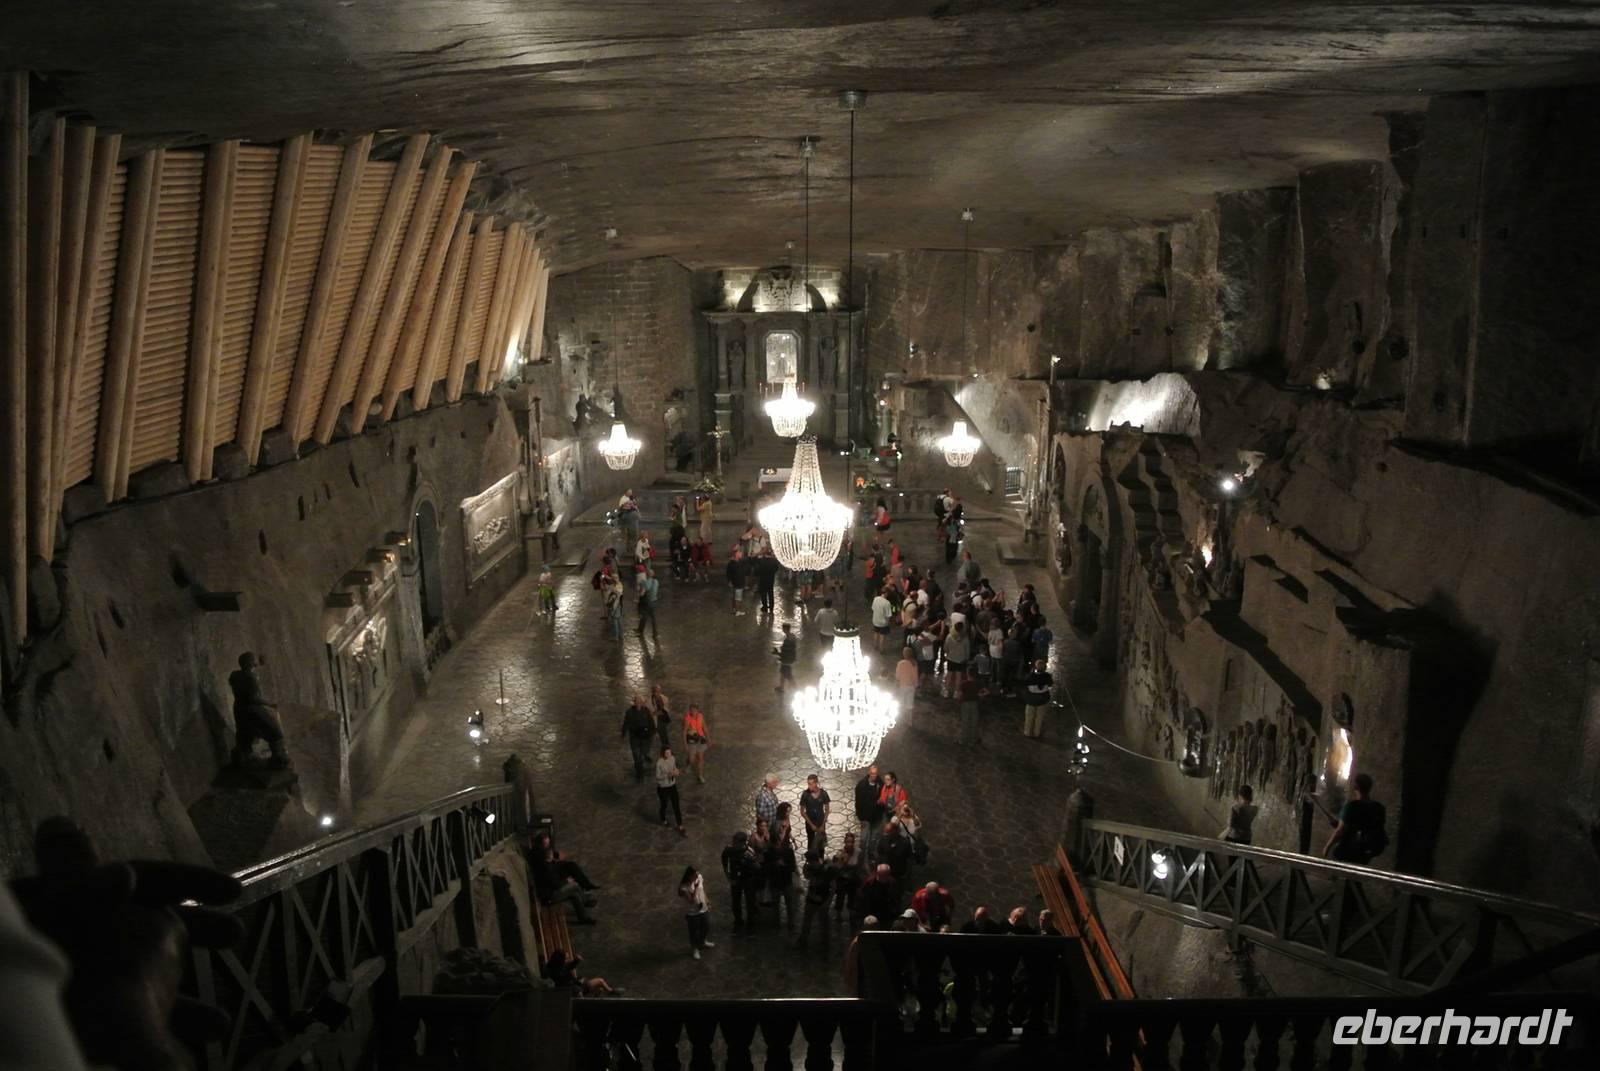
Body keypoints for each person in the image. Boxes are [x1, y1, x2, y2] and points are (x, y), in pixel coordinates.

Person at [228, 652, 291, 768]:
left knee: (244, 735)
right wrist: (270, 704)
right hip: (252, 710)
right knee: (275, 732)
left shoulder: (234, 675)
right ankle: (277, 759)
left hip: (239, 708)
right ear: (248, 663)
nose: (255, 664)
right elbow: (254, 698)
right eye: (253, 661)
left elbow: (233, 684)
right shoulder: (251, 678)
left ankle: (241, 758)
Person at [1324, 773, 1388, 864]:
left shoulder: (1352, 806)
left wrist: (1327, 847)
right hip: (1368, 850)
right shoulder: (1379, 807)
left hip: (1349, 849)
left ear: (1355, 787)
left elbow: (1340, 830)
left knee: (1336, 859)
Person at [532, 844, 598, 924]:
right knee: (574, 885)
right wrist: (567, 881)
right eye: (552, 854)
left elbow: (554, 879)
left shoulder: (546, 864)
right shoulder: (546, 869)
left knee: (574, 895)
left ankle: (583, 917)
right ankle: (585, 902)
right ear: (549, 856)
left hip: (550, 892)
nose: (553, 855)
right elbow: (556, 884)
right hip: (550, 896)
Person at [721, 832, 761, 933]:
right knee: (735, 903)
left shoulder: (749, 852)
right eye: (733, 841)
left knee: (750, 903)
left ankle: (750, 925)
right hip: (735, 879)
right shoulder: (729, 850)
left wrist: (750, 861)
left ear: (742, 842)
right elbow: (724, 859)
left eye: (736, 842)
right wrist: (727, 874)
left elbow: (758, 867)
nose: (733, 844)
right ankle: (738, 922)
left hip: (748, 880)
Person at [795, 850, 833, 949]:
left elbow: (833, 886)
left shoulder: (826, 869)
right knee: (807, 920)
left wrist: (828, 901)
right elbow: (808, 877)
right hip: (812, 897)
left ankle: (825, 943)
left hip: (822, 900)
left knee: (823, 923)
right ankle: (803, 940)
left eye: (809, 861)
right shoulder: (812, 867)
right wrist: (805, 871)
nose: (808, 863)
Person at [543, 948, 621, 996]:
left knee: (600, 981)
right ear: (560, 960)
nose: (567, 960)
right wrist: (579, 983)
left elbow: (567, 967)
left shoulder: (559, 966)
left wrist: (576, 961)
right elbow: (566, 974)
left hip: (576, 984)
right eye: (566, 959)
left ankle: (610, 991)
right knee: (584, 992)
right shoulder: (556, 972)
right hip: (573, 990)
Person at [766, 826, 800, 930]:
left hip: (785, 881)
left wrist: (783, 865)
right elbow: (766, 868)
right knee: (777, 904)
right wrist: (775, 864)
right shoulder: (769, 852)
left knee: (789, 904)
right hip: (777, 882)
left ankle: (790, 923)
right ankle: (778, 923)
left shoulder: (788, 851)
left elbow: (792, 867)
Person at [678, 867, 715, 960]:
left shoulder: (699, 877)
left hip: (703, 908)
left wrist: (708, 902)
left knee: (706, 927)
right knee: (694, 932)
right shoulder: (683, 887)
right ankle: (695, 949)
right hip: (692, 913)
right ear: (689, 876)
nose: (697, 877)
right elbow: (691, 901)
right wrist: (696, 886)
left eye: (697, 875)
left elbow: (702, 890)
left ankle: (702, 942)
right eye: (694, 876)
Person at [620, 696, 655, 783]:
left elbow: (651, 721)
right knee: (636, 756)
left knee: (642, 754)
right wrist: (623, 734)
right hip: (634, 738)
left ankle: (641, 767)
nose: (639, 703)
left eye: (640, 702)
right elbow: (626, 723)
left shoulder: (646, 710)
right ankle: (640, 773)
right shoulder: (629, 712)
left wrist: (652, 731)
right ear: (634, 702)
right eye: (637, 701)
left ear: (642, 703)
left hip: (644, 737)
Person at [829, 832, 863, 919]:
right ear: (845, 842)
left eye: (852, 842)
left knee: (852, 897)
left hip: (853, 879)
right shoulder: (839, 853)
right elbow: (835, 866)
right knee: (840, 897)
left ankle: (851, 914)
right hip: (842, 879)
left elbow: (860, 865)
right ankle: (838, 915)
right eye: (848, 842)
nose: (850, 844)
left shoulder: (858, 852)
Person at [854, 766, 885, 857]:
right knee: (863, 838)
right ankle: (861, 855)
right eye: (872, 774)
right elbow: (858, 802)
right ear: (869, 773)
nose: (874, 776)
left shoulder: (880, 783)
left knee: (873, 837)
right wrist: (860, 817)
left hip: (876, 816)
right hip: (865, 817)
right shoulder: (861, 785)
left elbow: (884, 795)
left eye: (875, 774)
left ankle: (870, 853)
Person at [656, 747, 685, 835]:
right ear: (663, 754)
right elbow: (658, 777)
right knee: (664, 804)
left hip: (672, 786)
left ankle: (680, 825)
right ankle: (663, 819)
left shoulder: (673, 758)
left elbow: (674, 768)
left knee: (676, 805)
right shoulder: (659, 763)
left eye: (670, 753)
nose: (669, 755)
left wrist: (677, 772)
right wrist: (668, 775)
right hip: (663, 787)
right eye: (667, 753)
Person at [799, 774, 831, 855]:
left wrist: (823, 824)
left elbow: (827, 810)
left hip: (821, 822)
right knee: (811, 842)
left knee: (821, 844)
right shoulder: (805, 794)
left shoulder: (824, 794)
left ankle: (821, 860)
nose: (809, 786)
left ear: (816, 783)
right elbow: (802, 811)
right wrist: (811, 824)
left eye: (811, 783)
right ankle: (811, 861)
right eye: (808, 783)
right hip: (810, 823)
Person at [1023, 659, 1053, 738]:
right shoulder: (1047, 676)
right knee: (1039, 718)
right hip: (1042, 700)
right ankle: (1037, 733)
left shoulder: (1031, 676)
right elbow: (1050, 684)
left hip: (1031, 700)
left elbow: (1025, 684)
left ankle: (1027, 732)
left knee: (1029, 717)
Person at [682, 703, 710, 784]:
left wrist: (708, 738)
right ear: (689, 710)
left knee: (701, 758)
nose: (693, 712)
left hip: (701, 740)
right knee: (692, 759)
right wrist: (685, 744)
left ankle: (700, 775)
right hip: (692, 741)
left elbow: (705, 727)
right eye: (691, 710)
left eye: (695, 710)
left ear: (697, 710)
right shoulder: (687, 718)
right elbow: (684, 732)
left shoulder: (700, 716)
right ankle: (689, 763)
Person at [958, 669, 986, 744]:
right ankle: (973, 739)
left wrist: (960, 701)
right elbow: (986, 692)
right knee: (974, 721)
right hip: (975, 703)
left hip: (965, 703)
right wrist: (980, 695)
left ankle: (962, 739)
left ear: (968, 674)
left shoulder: (963, 684)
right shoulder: (978, 684)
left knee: (965, 721)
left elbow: (960, 695)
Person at [895, 647, 920, 729]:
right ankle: (909, 722)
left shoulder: (900, 663)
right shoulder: (914, 664)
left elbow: (898, 676)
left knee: (901, 703)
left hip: (902, 686)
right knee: (910, 705)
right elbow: (915, 676)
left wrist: (897, 684)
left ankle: (900, 720)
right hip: (911, 687)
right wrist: (916, 685)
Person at [754, 549, 781, 615]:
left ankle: (765, 607)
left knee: (763, 594)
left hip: (762, 579)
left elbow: (757, 570)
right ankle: (771, 608)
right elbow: (776, 569)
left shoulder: (761, 561)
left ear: (764, 554)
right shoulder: (774, 561)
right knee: (770, 594)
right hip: (771, 579)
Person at [636, 567, 661, 638]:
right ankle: (655, 634)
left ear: (646, 575)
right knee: (653, 618)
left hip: (647, 602)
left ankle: (640, 631)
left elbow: (642, 594)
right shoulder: (656, 581)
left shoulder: (645, 583)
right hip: (654, 601)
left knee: (644, 616)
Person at [775, 622, 797, 691]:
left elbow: (785, 652)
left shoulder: (787, 640)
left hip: (786, 660)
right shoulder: (793, 636)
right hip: (790, 658)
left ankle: (794, 687)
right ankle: (781, 687)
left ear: (785, 629)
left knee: (788, 674)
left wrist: (777, 653)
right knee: (783, 673)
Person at [870, 587, 894, 653]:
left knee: (876, 632)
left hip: (875, 620)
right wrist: (889, 622)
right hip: (883, 623)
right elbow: (888, 615)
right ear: (886, 593)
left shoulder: (875, 599)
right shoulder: (887, 603)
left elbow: (873, 608)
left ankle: (875, 646)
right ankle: (881, 649)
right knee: (882, 635)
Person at [726, 549, 749, 616]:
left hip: (735, 582)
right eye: (740, 553)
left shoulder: (732, 563)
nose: (741, 554)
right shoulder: (735, 563)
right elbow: (729, 573)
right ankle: (737, 611)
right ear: (736, 555)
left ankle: (734, 609)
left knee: (734, 597)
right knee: (738, 598)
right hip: (738, 583)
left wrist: (729, 581)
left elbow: (728, 573)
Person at [604, 573, 625, 640]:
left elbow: (617, 595)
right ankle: (620, 635)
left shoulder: (617, 586)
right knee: (618, 620)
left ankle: (616, 636)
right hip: (617, 604)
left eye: (613, 578)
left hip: (616, 604)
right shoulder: (617, 584)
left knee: (615, 621)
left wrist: (613, 607)